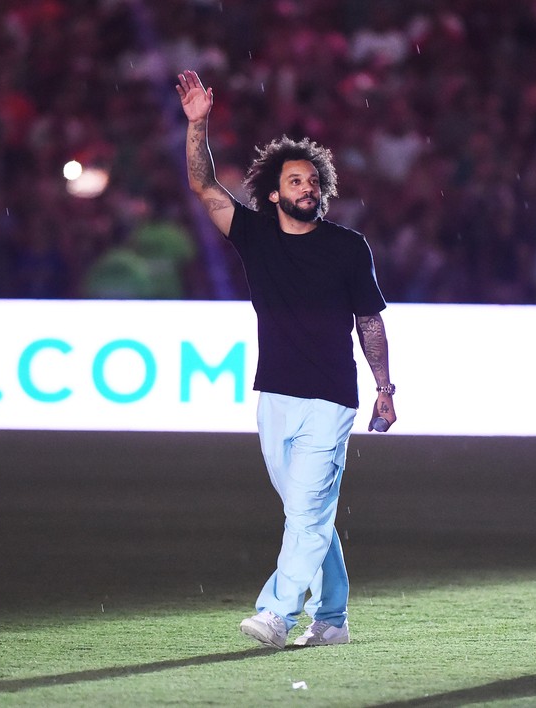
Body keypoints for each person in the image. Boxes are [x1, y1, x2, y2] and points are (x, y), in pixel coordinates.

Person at [176, 69, 396, 649]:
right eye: (294, 180)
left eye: (312, 180)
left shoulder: (348, 246)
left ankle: (277, 614)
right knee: (310, 517)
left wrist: (385, 387)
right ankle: (333, 620)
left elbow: (369, 320)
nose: (307, 187)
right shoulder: (255, 235)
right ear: (273, 192)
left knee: (305, 512)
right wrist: (198, 126)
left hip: (330, 400)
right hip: (274, 395)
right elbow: (204, 187)